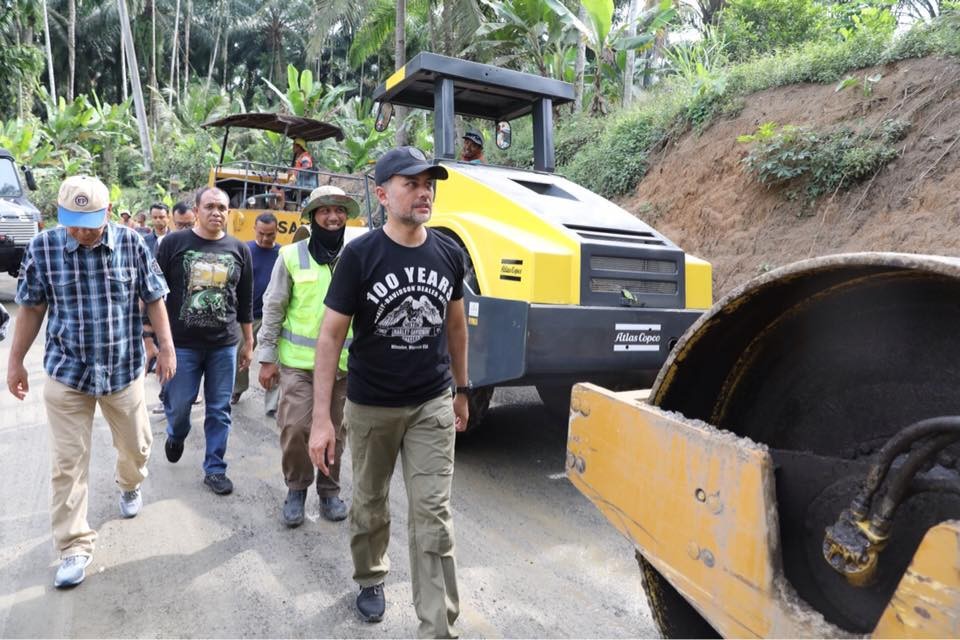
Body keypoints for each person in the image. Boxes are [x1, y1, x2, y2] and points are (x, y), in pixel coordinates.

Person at [309, 147, 469, 637]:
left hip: (431, 403)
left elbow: (457, 327)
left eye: (429, 184)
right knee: (370, 501)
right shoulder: (359, 255)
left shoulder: (448, 252)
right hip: (372, 404)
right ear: (381, 194)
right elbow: (331, 335)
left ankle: (438, 627)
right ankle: (371, 576)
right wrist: (321, 419)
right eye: (411, 183)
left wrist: (462, 389)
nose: (424, 192)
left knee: (433, 516)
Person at [6, 175, 175, 589]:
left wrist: (166, 348)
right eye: (73, 222)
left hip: (122, 370)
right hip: (67, 372)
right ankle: (73, 545)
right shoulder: (43, 247)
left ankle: (129, 483)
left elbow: (154, 297)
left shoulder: (133, 244)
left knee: (136, 447)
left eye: (90, 222)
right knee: (68, 464)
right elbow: (30, 309)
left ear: (109, 213)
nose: (81, 232)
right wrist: (15, 362)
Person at [258, 186, 356, 527]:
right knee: (296, 427)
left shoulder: (355, 255)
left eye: (339, 210)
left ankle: (329, 492)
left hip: (343, 366)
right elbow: (273, 308)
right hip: (299, 364)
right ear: (312, 217)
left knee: (336, 432)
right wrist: (267, 357)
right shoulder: (291, 256)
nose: (333, 216)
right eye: (325, 210)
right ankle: (297, 488)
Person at [151, 186, 253, 496]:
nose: (216, 212)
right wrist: (154, 340)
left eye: (222, 208)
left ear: (228, 213)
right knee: (180, 405)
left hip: (223, 344)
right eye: (209, 206)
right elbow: (153, 293)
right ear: (196, 209)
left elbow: (245, 300)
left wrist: (248, 341)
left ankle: (215, 468)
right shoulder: (173, 244)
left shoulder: (239, 249)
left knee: (219, 409)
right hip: (181, 344)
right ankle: (176, 432)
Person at [232, 212, 280, 414]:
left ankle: (272, 404)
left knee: (276, 360)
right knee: (238, 353)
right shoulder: (244, 250)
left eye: (270, 234)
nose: (266, 238)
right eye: (261, 233)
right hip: (247, 316)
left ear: (276, 231)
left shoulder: (283, 254)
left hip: (273, 316)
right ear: (254, 229)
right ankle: (237, 388)